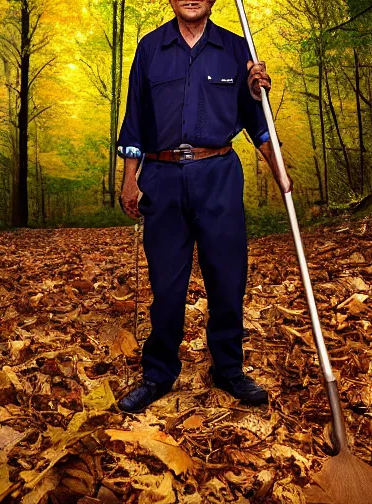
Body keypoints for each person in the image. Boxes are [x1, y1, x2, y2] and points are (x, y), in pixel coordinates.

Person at [117, 0, 292, 413]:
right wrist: (130, 179)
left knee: (228, 278)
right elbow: (134, 121)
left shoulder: (236, 50)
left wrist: (278, 170)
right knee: (167, 285)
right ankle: (158, 373)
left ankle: (229, 369)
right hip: (162, 179)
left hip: (218, 175)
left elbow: (258, 122)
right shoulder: (149, 48)